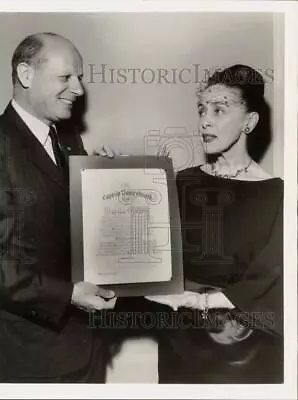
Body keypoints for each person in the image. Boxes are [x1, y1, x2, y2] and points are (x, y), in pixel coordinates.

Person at [0, 32, 117, 383]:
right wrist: (69, 295)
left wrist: (105, 184)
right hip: (31, 361)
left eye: (80, 77)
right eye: (66, 78)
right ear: (26, 75)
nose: (78, 89)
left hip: (87, 348)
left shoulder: (69, 141)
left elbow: (68, 227)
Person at [147, 64, 283, 383]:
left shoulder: (277, 194)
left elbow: (271, 277)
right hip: (179, 344)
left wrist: (203, 300)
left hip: (246, 350)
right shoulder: (182, 181)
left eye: (219, 110)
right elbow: (150, 251)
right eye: (202, 109)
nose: (205, 119)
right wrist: (113, 175)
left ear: (249, 122)